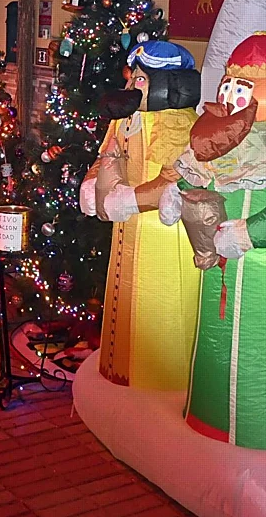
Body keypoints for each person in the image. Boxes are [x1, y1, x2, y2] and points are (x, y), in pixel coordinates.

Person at [159, 32, 266, 449]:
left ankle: (263, 428)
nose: (228, 96)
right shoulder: (215, 131)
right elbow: (196, 176)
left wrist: (249, 233)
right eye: (227, 86)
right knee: (215, 335)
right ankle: (211, 417)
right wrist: (176, 196)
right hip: (219, 259)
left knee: (261, 351)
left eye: (240, 89)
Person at [79, 40, 202, 390]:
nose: (132, 87)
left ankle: (162, 382)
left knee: (159, 305)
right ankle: (122, 373)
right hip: (128, 229)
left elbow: (173, 180)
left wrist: (130, 199)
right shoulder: (126, 119)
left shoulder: (178, 123)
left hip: (164, 235)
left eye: (141, 80)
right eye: (132, 78)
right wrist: (92, 186)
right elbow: (107, 156)